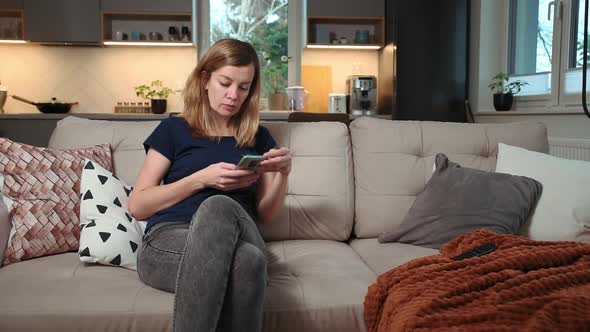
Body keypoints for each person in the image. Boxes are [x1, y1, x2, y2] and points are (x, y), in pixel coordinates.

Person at [128, 38, 291, 332]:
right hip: (167, 243)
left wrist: (283, 175)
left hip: (239, 235)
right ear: (205, 79)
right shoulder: (173, 130)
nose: (233, 95)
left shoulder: (259, 138)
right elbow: (138, 206)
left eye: (243, 87)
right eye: (225, 83)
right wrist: (201, 178)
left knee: (218, 205)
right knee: (250, 263)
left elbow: (266, 215)